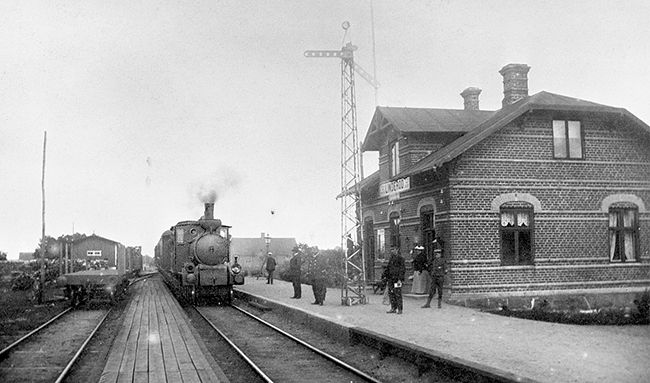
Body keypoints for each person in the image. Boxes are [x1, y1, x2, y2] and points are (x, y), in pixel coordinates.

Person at [422, 237, 447, 308]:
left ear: (440, 254)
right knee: (431, 290)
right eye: (436, 254)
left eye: (438, 254)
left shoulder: (443, 261)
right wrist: (431, 273)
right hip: (434, 277)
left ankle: (439, 304)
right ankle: (428, 303)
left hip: (440, 277)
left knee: (440, 291)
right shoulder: (433, 261)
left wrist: (442, 273)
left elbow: (445, 269)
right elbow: (429, 267)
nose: (436, 255)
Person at [385, 247, 405, 314]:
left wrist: (400, 279)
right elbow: (388, 268)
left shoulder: (401, 259)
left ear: (397, 250)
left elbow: (402, 269)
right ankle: (393, 308)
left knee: (398, 293)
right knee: (391, 293)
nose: (392, 251)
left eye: (393, 249)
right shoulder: (391, 259)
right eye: (391, 250)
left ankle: (400, 309)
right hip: (391, 279)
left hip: (397, 279)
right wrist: (385, 276)